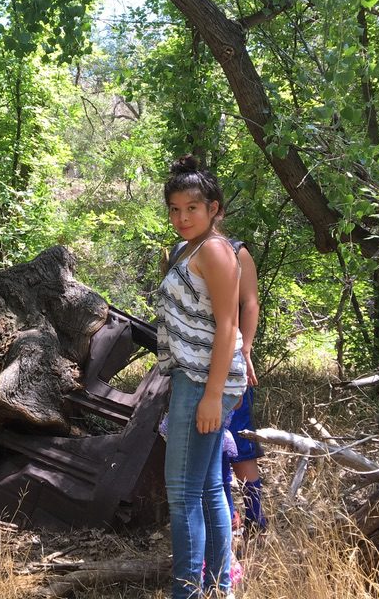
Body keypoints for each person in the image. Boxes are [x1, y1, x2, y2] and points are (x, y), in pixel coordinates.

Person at [156, 155, 248, 599]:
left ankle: (187, 592)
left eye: (192, 207)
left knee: (181, 494)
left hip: (204, 382)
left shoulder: (216, 250)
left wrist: (213, 395)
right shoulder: (184, 249)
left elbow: (229, 326)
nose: (182, 217)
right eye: (174, 209)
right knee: (209, 486)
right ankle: (219, 588)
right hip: (190, 377)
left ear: (214, 208)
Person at [223, 238, 268, 537]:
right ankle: (227, 519)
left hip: (231, 360)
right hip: (194, 365)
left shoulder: (236, 250)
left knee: (240, 443)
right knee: (214, 449)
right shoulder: (182, 250)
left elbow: (250, 302)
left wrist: (245, 351)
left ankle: (255, 520)